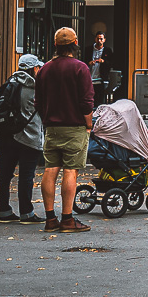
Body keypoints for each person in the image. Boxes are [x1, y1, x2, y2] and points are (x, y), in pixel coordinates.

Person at [35, 28, 93, 233]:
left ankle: (50, 219)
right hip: (74, 126)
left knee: (50, 169)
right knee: (70, 170)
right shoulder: (80, 68)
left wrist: (47, 119)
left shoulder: (44, 69)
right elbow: (86, 102)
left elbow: (38, 102)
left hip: (52, 127)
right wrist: (88, 124)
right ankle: (67, 219)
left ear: (55, 45)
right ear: (75, 44)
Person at [0, 54, 45, 223]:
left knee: (4, 173)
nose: (39, 70)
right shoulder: (35, 87)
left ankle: (4, 211)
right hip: (28, 136)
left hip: (7, 135)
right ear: (32, 68)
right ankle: (26, 213)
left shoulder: (10, 83)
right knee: (26, 175)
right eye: (37, 67)